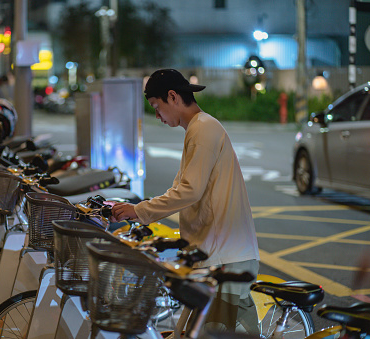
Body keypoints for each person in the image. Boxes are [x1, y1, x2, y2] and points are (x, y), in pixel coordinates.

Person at [110, 69, 261, 334]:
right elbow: (181, 187)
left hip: (223, 255)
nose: (157, 116)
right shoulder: (198, 129)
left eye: (157, 107)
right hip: (220, 252)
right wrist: (140, 211)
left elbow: (189, 191)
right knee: (225, 330)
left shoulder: (203, 129)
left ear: (173, 97)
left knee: (212, 331)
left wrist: (139, 211)